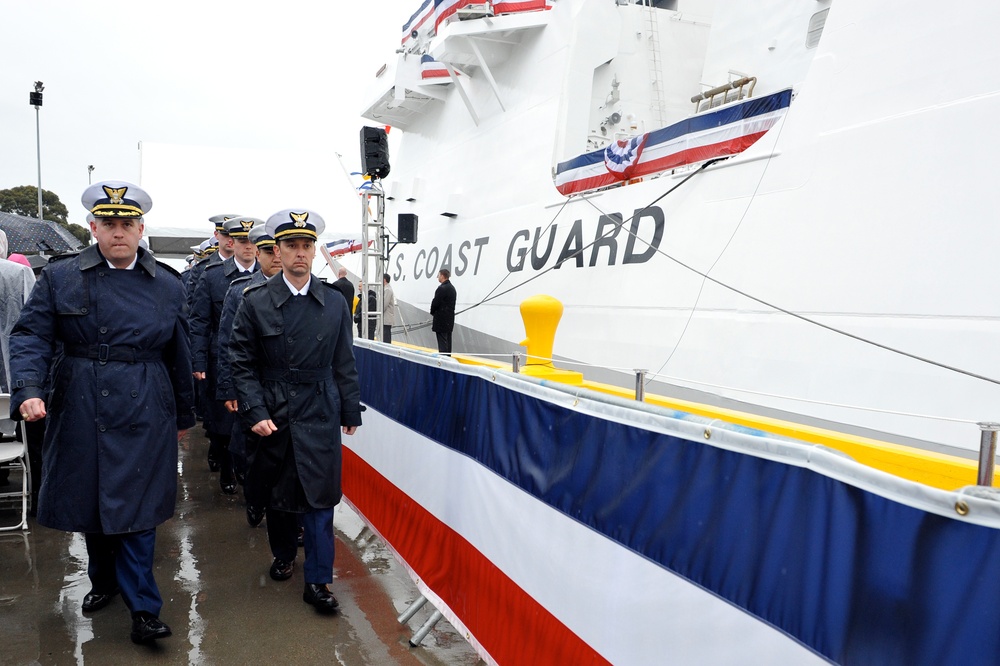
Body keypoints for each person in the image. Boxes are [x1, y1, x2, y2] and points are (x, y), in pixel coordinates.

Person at [9, 181, 194, 645]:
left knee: (138, 507)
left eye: (126, 224)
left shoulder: (168, 284)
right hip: (81, 400)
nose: (118, 232)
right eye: (108, 223)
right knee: (94, 502)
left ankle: (144, 609)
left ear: (140, 229)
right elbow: (30, 336)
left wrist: (183, 417)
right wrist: (29, 389)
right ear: (93, 227)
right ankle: (104, 580)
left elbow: (181, 354)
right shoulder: (62, 276)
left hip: (146, 401)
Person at [229, 208, 362, 615]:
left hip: (320, 407)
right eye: (292, 246)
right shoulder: (255, 302)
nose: (300, 253)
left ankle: (319, 581)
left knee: (321, 500)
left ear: (314, 251)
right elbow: (241, 360)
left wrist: (350, 409)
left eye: (307, 246)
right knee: (279, 495)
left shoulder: (335, 302)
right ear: (279, 251)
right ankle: (284, 554)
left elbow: (344, 359)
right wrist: (253, 409)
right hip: (275, 410)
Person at [217, 224, 301, 581]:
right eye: (264, 252)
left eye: (269, 251)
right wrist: (230, 390)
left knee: (292, 471)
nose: (267, 257)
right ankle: (255, 496)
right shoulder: (243, 293)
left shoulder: (299, 294)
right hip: (256, 394)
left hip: (291, 400)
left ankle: (288, 524)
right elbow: (230, 346)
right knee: (252, 456)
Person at [190, 216, 260, 494]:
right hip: (220, 356)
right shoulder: (213, 275)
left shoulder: (267, 276)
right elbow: (199, 322)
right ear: (232, 242)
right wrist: (197, 360)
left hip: (255, 358)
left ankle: (246, 467)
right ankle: (227, 463)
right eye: (242, 241)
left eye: (252, 241)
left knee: (250, 414)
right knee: (223, 419)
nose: (247, 247)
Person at [430, 268, 456, 355]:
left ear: (442, 276)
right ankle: (448, 358)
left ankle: (443, 361)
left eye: (438, 275)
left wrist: (432, 312)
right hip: (449, 320)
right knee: (448, 342)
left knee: (442, 344)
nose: (438, 278)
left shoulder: (441, 288)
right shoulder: (452, 289)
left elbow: (435, 303)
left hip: (441, 320)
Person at [382, 273, 396, 344]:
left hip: (386, 318)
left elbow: (385, 303)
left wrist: (379, 312)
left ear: (384, 280)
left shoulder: (387, 290)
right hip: (386, 318)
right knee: (385, 336)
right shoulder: (387, 289)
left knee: (386, 337)